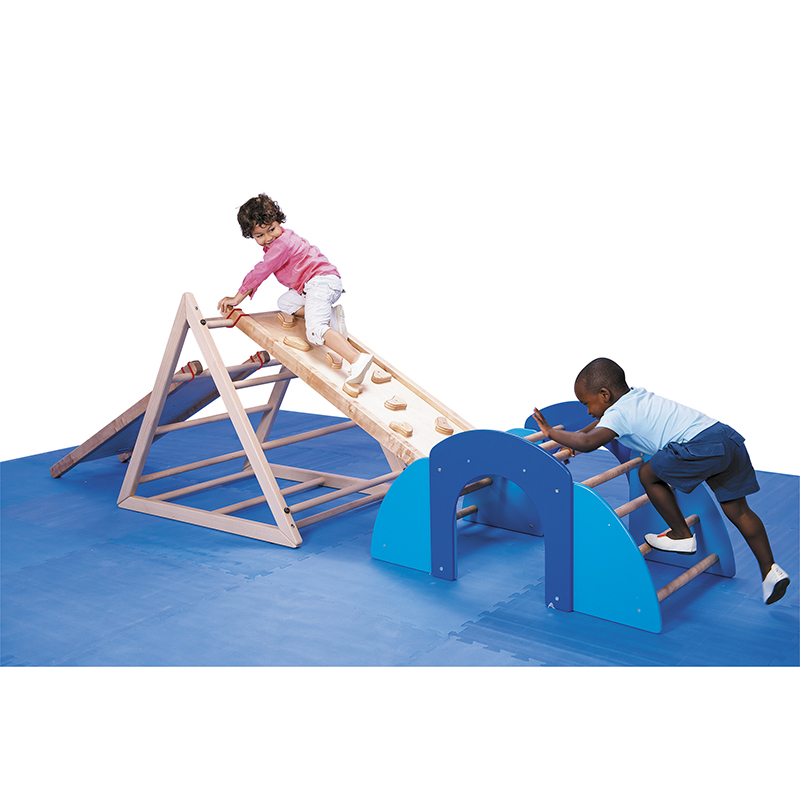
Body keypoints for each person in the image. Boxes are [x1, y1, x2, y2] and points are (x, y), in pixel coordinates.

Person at [532, 357, 791, 605]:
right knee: (739, 510)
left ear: (604, 394)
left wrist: (551, 432)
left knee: (647, 473)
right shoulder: (636, 397)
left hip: (700, 446)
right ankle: (770, 570)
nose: (588, 411)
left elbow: (589, 442)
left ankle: (681, 535)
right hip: (727, 439)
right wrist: (575, 438)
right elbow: (597, 425)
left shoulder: (619, 414)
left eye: (587, 403)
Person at [217, 193, 373, 385]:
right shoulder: (283, 239)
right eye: (259, 235)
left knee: (315, 330)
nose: (268, 238)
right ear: (251, 235)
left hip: (320, 282)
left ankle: (356, 359)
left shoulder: (281, 245)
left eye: (271, 229)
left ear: (278, 221)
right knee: (285, 303)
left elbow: (261, 271)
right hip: (313, 285)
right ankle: (330, 316)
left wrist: (237, 298)